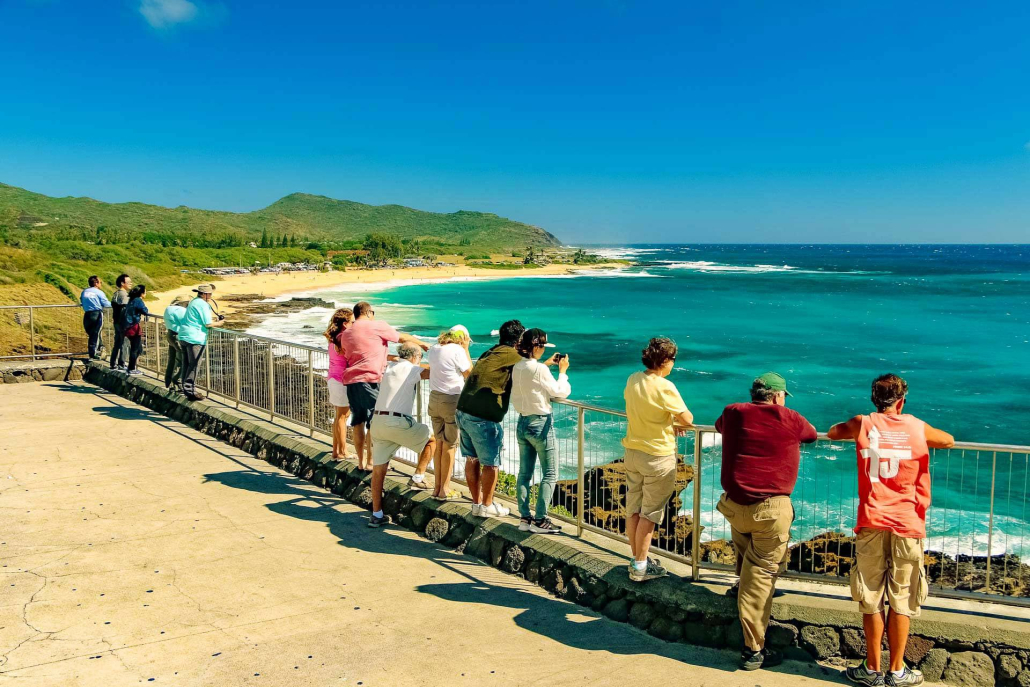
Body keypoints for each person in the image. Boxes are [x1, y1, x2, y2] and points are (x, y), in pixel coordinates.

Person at [829, 374, 954, 687]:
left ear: (874, 399)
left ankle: (871, 669)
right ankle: (897, 671)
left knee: (871, 597)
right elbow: (948, 439)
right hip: (907, 522)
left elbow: (833, 433)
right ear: (902, 400)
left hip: (872, 520)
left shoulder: (862, 423)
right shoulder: (916, 427)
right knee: (902, 597)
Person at [715, 372, 818, 671]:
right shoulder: (790, 418)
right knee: (760, 577)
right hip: (770, 511)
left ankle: (740, 586)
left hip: (736, 506)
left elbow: (722, 427)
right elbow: (810, 434)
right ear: (776, 396)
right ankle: (753, 650)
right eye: (784, 395)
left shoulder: (732, 412)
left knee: (746, 552)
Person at [622, 337, 693, 582]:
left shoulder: (633, 379)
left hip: (633, 452)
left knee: (633, 508)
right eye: (673, 359)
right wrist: (673, 423)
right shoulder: (665, 386)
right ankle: (640, 566)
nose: (673, 364)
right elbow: (688, 419)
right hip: (657, 456)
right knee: (650, 513)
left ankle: (637, 560)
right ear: (664, 361)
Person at [339, 301, 429, 474]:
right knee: (374, 422)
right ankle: (372, 461)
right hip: (371, 379)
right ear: (368, 312)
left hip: (352, 380)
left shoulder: (347, 333)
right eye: (373, 312)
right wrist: (423, 344)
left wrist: (389, 357)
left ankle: (361, 462)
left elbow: (359, 351)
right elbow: (401, 338)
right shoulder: (376, 326)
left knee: (358, 422)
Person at [456, 319, 525, 518]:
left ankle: (477, 504)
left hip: (464, 410)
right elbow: (531, 371)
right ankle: (487, 505)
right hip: (482, 416)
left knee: (472, 458)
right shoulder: (514, 356)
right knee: (491, 463)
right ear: (519, 340)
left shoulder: (491, 352)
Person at [367, 344, 436, 528]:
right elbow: (433, 372)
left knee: (379, 470)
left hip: (378, 422)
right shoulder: (411, 368)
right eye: (420, 358)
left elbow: (388, 359)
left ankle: (377, 514)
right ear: (415, 357)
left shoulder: (390, 367)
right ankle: (418, 477)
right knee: (432, 439)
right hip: (397, 422)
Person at [511, 328, 570, 534]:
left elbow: (532, 377)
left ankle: (525, 517)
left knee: (525, 473)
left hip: (522, 421)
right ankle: (541, 520)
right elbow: (560, 391)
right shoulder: (538, 370)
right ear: (536, 346)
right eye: (542, 346)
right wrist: (562, 371)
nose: (544, 350)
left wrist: (546, 366)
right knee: (550, 473)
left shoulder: (517, 367)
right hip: (540, 424)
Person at [426, 324, 473, 500]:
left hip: (434, 398)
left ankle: (437, 488)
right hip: (451, 400)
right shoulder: (457, 350)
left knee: (439, 443)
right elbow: (470, 375)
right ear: (462, 338)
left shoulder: (435, 348)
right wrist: (466, 349)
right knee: (450, 445)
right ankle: (445, 489)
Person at [177, 284, 224, 401]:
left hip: (184, 335)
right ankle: (190, 391)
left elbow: (199, 319)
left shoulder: (194, 302)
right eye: (210, 294)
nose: (211, 296)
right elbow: (207, 324)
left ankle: (185, 389)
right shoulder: (203, 304)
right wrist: (219, 323)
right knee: (194, 365)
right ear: (205, 294)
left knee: (186, 364)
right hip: (195, 338)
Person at [324, 307, 355, 460]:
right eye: (352, 322)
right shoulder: (343, 338)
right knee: (343, 417)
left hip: (333, 378)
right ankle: (343, 452)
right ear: (345, 323)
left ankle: (336, 451)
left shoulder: (333, 337)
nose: (354, 325)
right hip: (341, 380)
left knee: (338, 416)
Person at [119, 284, 149, 376]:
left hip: (128, 326)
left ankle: (130, 367)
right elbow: (145, 310)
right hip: (134, 326)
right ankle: (131, 368)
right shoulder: (138, 300)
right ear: (141, 293)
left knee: (137, 348)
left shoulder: (132, 300)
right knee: (135, 349)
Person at [79, 275, 110, 359]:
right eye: (100, 282)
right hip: (96, 313)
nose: (101, 284)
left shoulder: (84, 291)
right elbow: (106, 304)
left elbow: (81, 300)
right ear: (96, 283)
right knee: (95, 333)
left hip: (87, 314)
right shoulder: (99, 292)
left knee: (91, 334)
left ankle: (99, 348)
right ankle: (93, 353)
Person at [162, 298, 188, 390]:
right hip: (178, 336)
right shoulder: (182, 311)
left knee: (172, 359)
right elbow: (188, 322)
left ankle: (168, 382)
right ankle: (177, 381)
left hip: (170, 334)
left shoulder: (168, 308)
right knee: (183, 360)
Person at [109, 274, 133, 371]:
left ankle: (113, 362)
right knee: (124, 343)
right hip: (123, 322)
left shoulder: (116, 294)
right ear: (122, 283)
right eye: (129, 282)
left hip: (117, 321)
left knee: (117, 343)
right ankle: (122, 364)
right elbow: (126, 309)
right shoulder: (124, 295)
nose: (131, 284)